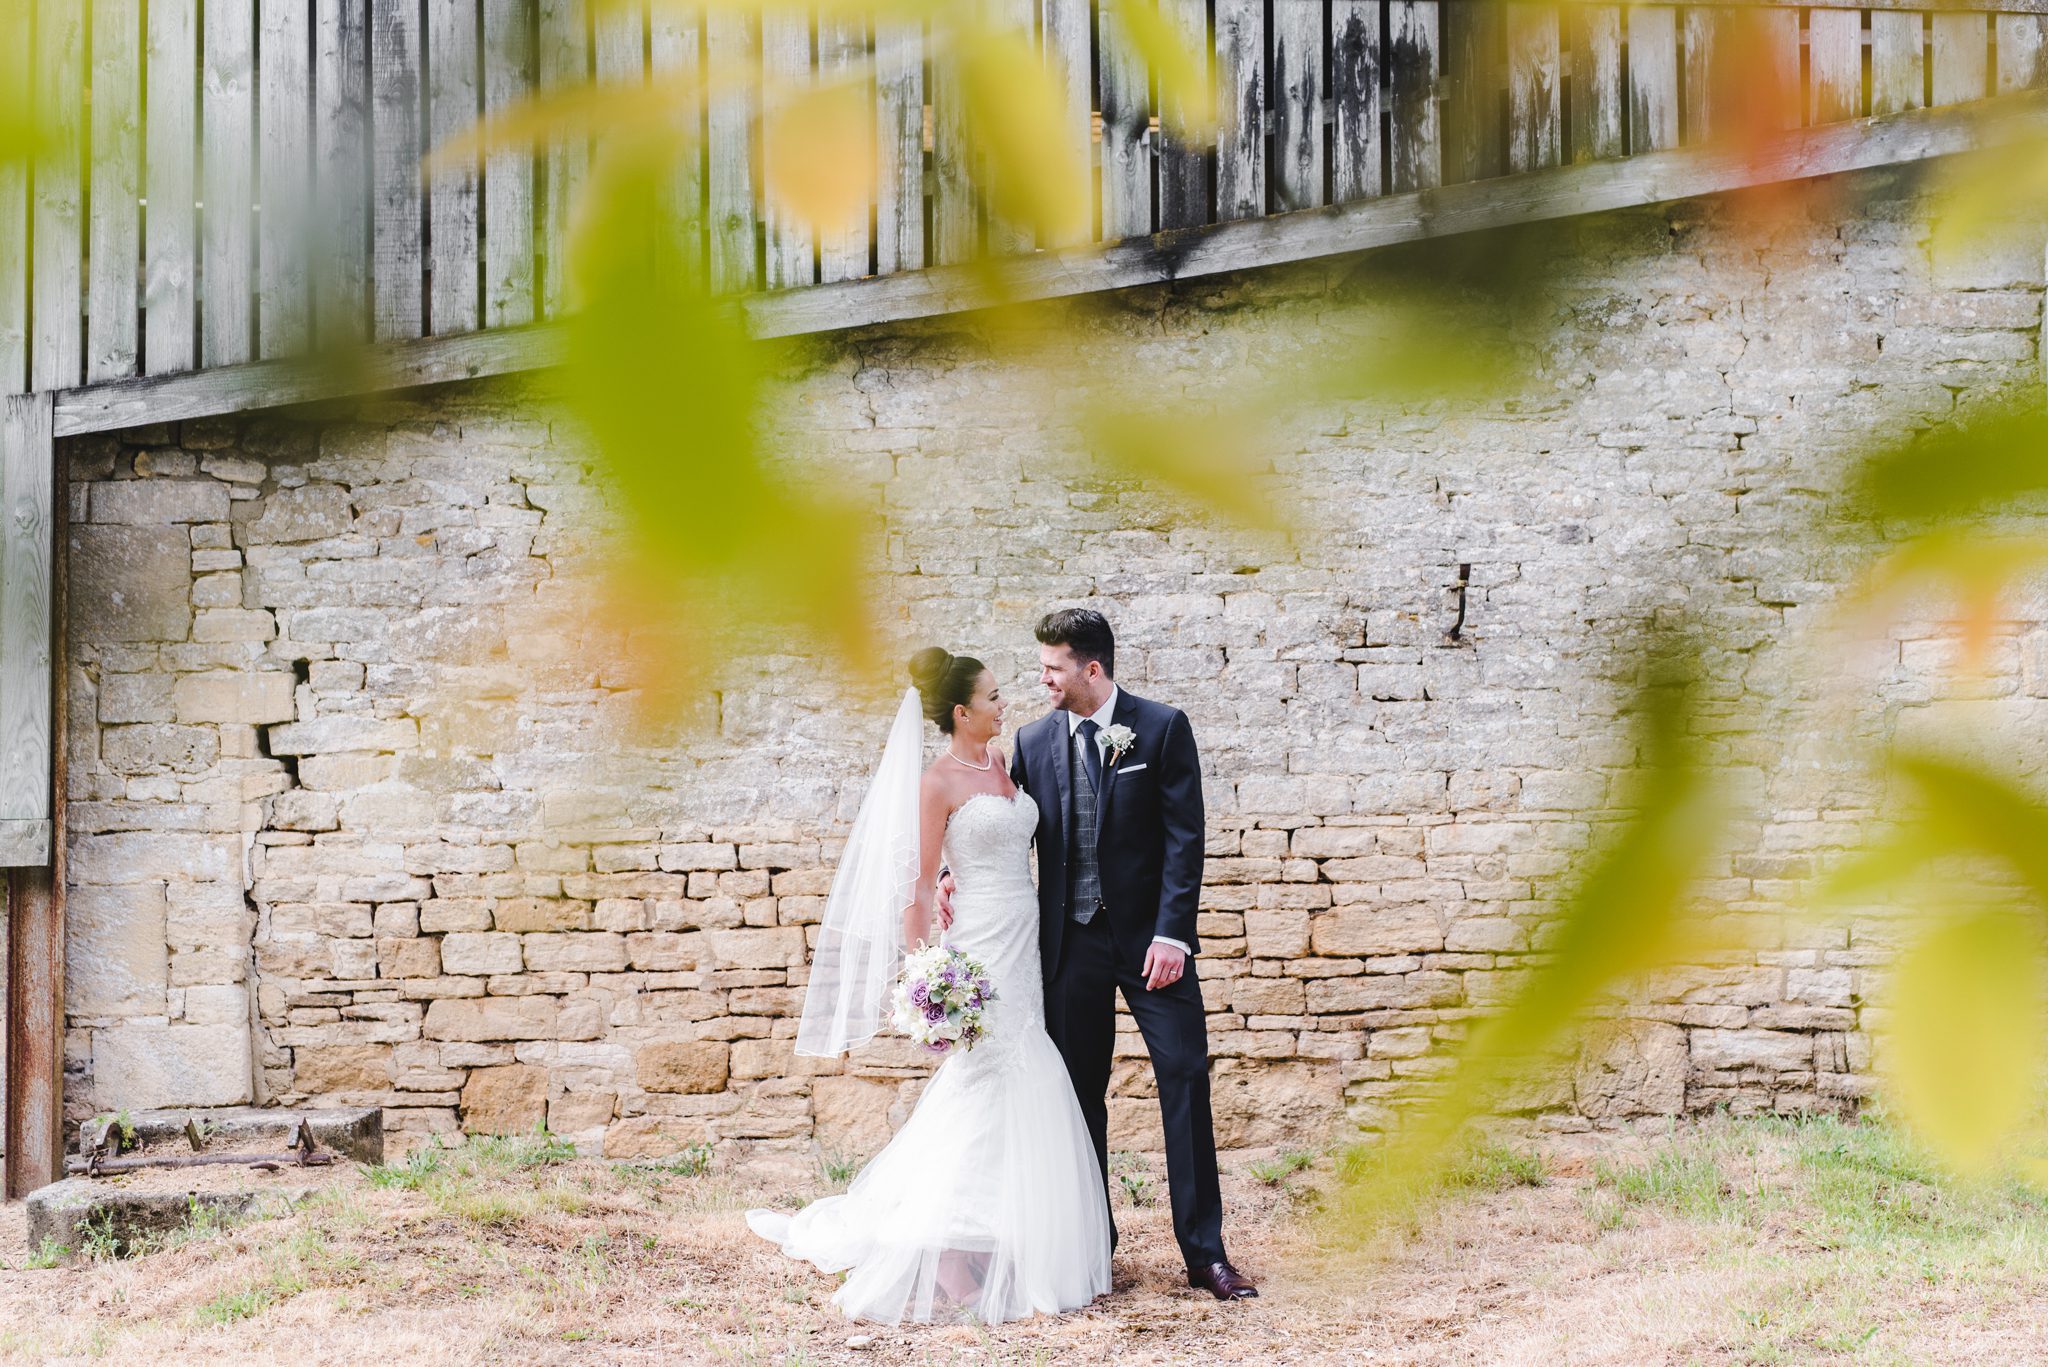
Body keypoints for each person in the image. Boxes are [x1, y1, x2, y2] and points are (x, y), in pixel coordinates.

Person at [745, 648, 1112, 1324]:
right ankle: (943, 1249)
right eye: (994, 697)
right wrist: (927, 976)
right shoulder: (935, 782)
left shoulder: (1003, 766)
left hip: (1022, 942)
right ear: (961, 712)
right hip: (974, 948)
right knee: (978, 1078)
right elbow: (916, 884)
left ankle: (987, 1236)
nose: (1006, 705)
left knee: (1021, 1071)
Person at [964, 607, 1258, 1300]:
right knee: (1077, 1098)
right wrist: (954, 871)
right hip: (1069, 944)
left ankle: (1204, 1253)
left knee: (1184, 1079)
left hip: (1153, 944)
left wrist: (1173, 933)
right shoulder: (1033, 741)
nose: (1042, 680)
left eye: (1052, 668)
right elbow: (1008, 825)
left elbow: (1186, 838)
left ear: (1091, 669)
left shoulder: (1160, 728)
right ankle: (1094, 1248)